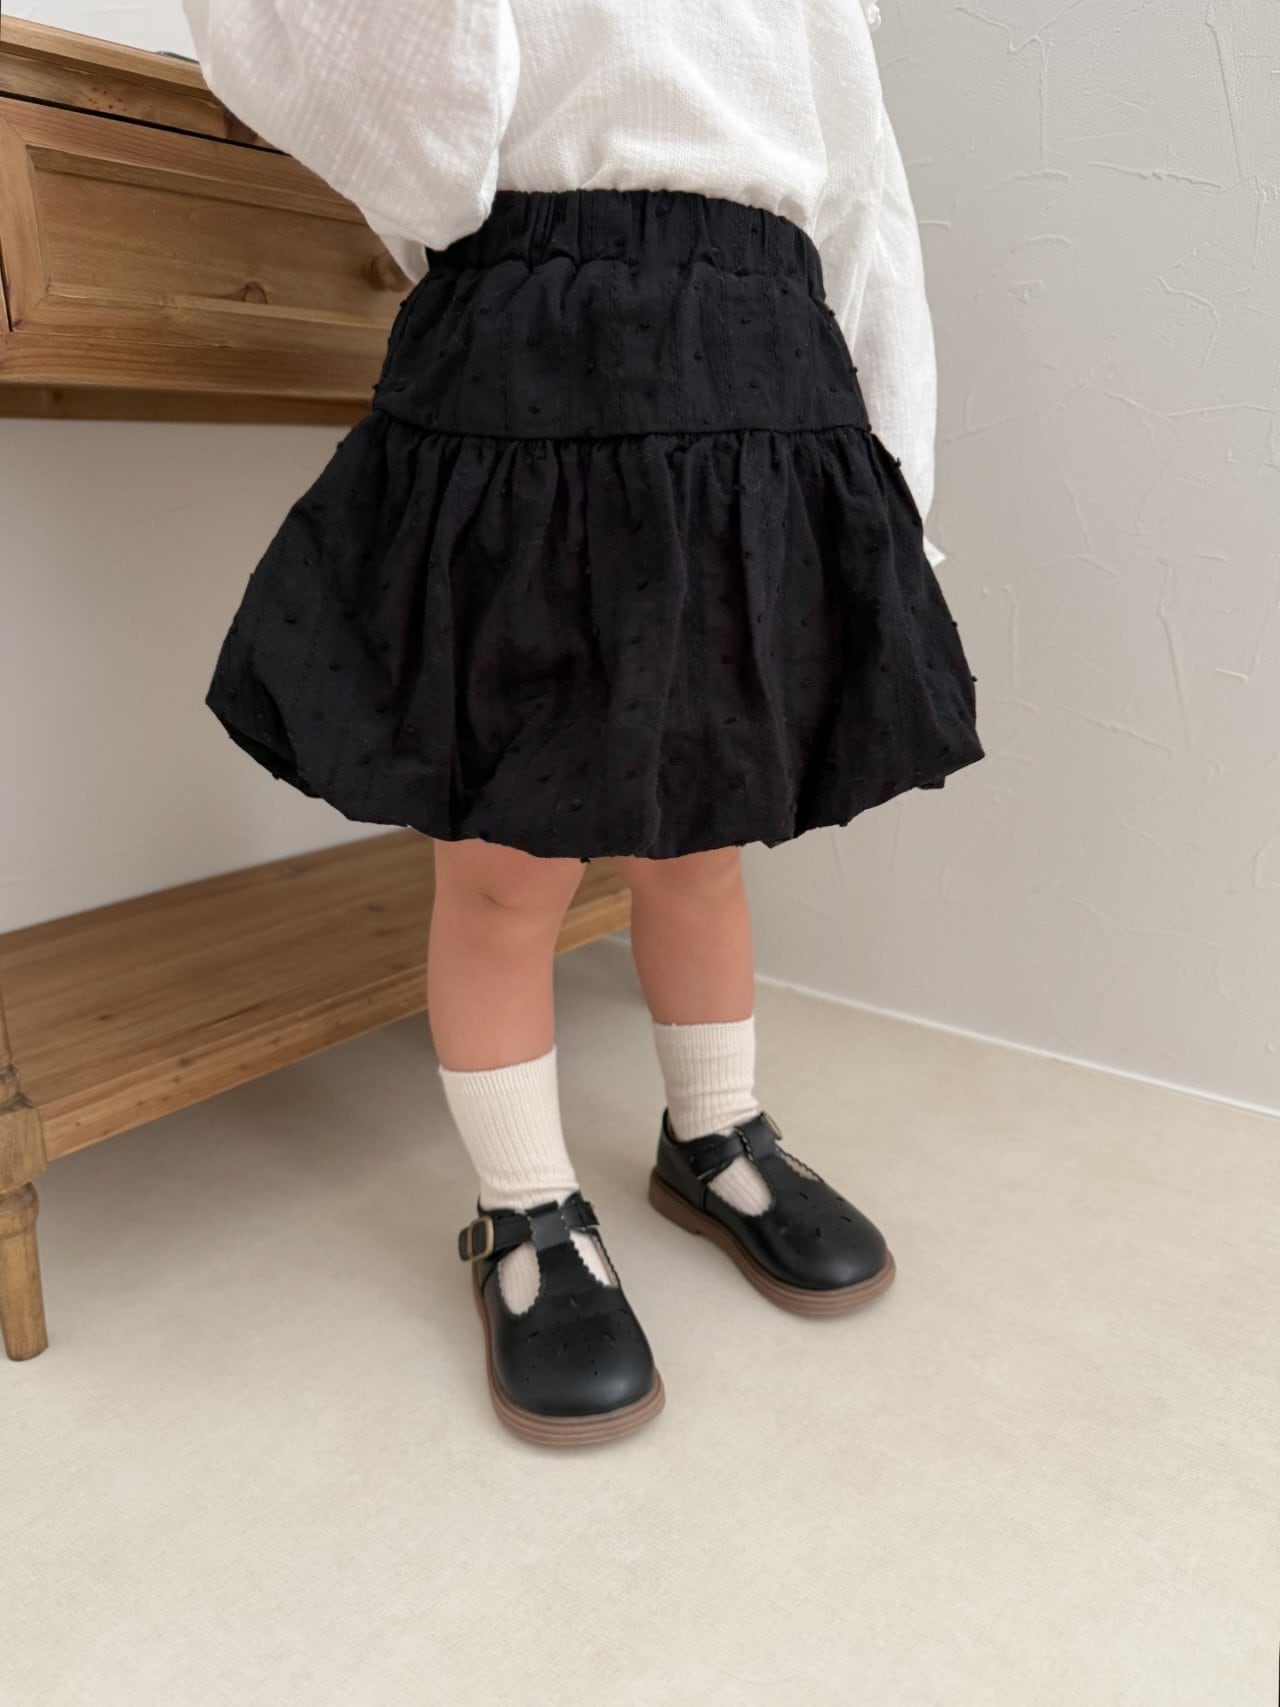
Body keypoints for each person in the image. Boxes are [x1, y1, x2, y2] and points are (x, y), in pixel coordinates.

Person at [181, 0, 985, 1446]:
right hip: (530, 358)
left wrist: (898, 491)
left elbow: (865, 204)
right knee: (507, 862)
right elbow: (412, 141)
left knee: (704, 836)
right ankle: (524, 1209)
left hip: (763, 365)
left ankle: (714, 1131)